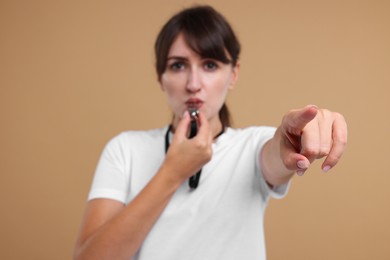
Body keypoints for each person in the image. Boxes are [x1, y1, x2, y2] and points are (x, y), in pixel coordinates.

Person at [74, 5, 347, 260]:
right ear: (160, 77)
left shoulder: (251, 146)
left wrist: (294, 137)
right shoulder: (125, 150)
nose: (193, 84)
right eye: (178, 65)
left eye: (210, 65)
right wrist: (173, 172)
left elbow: (276, 153)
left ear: (233, 75)